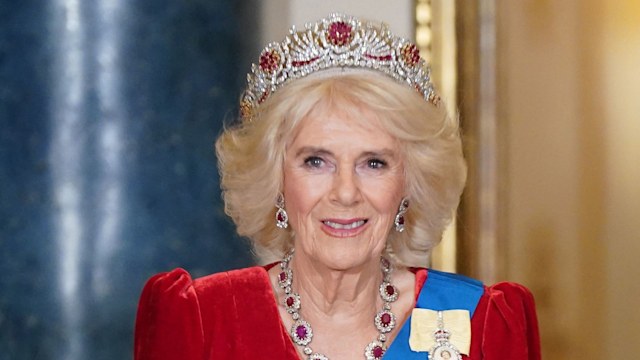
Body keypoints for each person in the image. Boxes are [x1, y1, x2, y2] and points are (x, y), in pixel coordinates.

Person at [134, 13, 540, 360]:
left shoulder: (481, 324)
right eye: (316, 161)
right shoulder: (202, 322)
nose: (345, 193)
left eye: (374, 163)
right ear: (276, 179)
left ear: (408, 184)